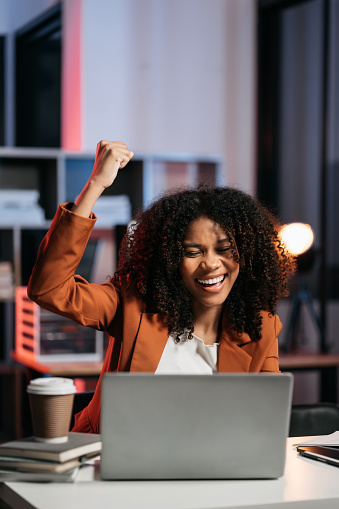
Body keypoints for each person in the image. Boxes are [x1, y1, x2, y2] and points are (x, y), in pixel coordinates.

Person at [28, 140, 295, 434]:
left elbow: (264, 424)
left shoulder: (261, 330)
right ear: (170, 260)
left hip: (207, 469)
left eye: (224, 249)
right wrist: (95, 185)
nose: (211, 264)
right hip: (111, 460)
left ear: (247, 254)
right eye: (193, 252)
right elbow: (49, 289)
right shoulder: (130, 305)